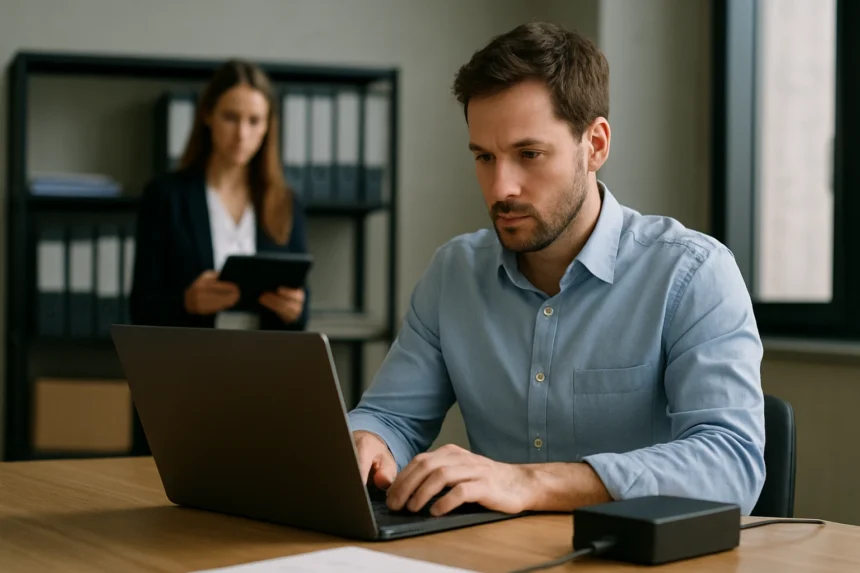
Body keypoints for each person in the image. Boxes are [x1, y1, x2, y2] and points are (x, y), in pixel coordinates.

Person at [347, 22, 765, 517]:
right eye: (484, 157)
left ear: (596, 145)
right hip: (496, 559)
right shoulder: (453, 274)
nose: (501, 187)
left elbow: (731, 465)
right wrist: (367, 441)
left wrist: (530, 483)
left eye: (529, 154)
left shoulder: (693, 274)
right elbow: (390, 416)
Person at [130, 59, 309, 331]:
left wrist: (294, 310)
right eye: (230, 117)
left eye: (254, 121)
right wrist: (187, 302)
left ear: (267, 127)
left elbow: (302, 313)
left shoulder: (285, 202)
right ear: (208, 115)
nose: (242, 134)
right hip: (188, 361)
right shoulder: (166, 197)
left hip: (263, 364)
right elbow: (141, 308)